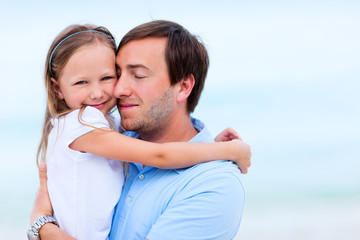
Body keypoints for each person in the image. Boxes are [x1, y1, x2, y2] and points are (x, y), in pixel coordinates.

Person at [30, 20, 251, 239]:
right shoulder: (104, 137)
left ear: (183, 87)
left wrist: (42, 226)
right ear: (57, 88)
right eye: (119, 73)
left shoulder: (214, 187)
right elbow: (162, 155)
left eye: (137, 75)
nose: (118, 89)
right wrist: (226, 150)